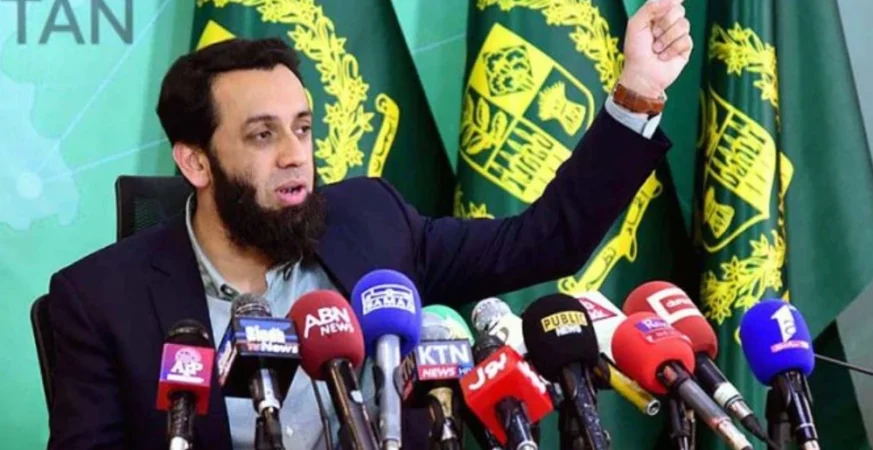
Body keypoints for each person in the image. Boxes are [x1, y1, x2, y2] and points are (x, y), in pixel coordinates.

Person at [44, 0, 692, 449]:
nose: (296, 155)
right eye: (263, 135)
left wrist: (638, 90)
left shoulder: (369, 224)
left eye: (302, 128)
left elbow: (545, 240)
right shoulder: (100, 301)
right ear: (195, 162)